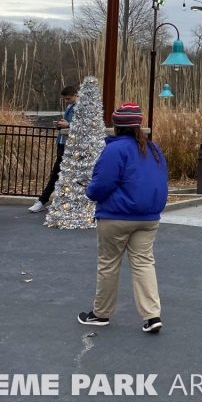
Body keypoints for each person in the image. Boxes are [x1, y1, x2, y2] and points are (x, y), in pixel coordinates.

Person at [79, 103, 168, 333]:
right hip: (148, 217)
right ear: (138, 125)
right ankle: (151, 316)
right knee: (144, 263)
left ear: (116, 126)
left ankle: (101, 313)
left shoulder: (114, 150)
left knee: (109, 264)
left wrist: (90, 190)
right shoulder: (153, 149)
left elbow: (102, 185)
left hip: (116, 215)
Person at [30, 85, 78, 213]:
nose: (66, 101)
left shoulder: (79, 107)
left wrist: (68, 125)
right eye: (65, 99)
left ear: (75, 95)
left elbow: (83, 126)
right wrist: (62, 125)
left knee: (58, 173)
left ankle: (43, 200)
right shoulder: (70, 107)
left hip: (70, 144)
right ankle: (54, 200)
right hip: (63, 142)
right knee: (59, 173)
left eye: (68, 98)